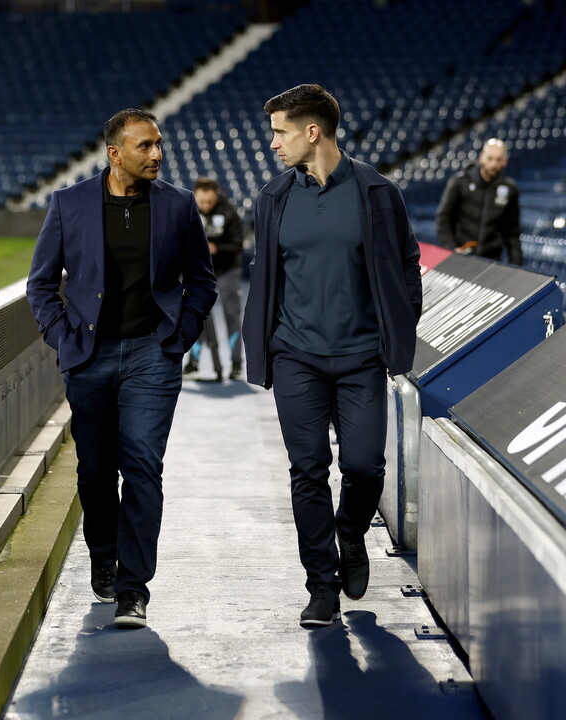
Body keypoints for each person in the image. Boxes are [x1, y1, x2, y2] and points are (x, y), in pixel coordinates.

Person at [26, 108, 217, 629]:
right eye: (145, 147)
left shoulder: (178, 206)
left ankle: (134, 586)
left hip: (153, 356)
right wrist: (63, 341)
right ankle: (103, 556)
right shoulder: (69, 205)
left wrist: (178, 338)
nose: (157, 155)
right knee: (94, 471)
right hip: (89, 357)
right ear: (115, 153)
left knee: (142, 466)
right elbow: (41, 285)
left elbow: (202, 281)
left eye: (159, 145)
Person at [242, 84, 422, 628]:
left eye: (280, 132)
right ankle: (321, 584)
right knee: (308, 471)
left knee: (365, 466)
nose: (272, 143)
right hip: (296, 355)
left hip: (362, 356)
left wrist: (400, 324)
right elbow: (267, 275)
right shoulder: (274, 197)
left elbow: (408, 264)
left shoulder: (377, 192)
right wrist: (268, 344)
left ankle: (351, 532)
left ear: (311, 132)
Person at [183, 177, 246, 379]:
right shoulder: (188, 210)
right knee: (197, 315)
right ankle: (193, 362)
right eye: (202, 202)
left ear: (216, 194)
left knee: (232, 315)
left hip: (227, 269)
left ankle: (236, 364)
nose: (206, 206)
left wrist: (216, 248)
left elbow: (238, 244)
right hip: (202, 271)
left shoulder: (229, 212)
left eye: (210, 202)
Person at [436, 138, 522, 265]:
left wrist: (516, 265)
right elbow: (443, 219)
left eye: (498, 160)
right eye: (490, 158)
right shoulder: (459, 182)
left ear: (505, 162)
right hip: (461, 256)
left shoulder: (510, 190)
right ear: (481, 158)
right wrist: (451, 250)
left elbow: (512, 232)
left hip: (491, 262)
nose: (493, 164)